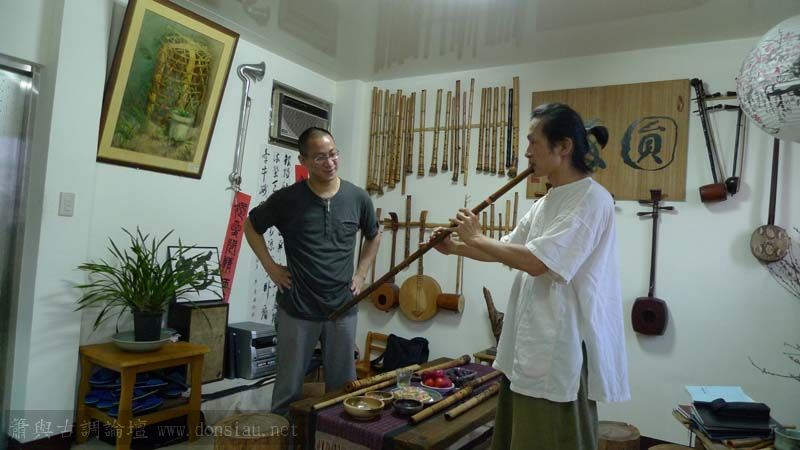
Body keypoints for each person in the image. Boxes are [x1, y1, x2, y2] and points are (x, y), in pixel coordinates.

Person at [431, 103, 629, 450]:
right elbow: (507, 249)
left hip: (561, 345)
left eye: (533, 142)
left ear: (563, 147)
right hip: (529, 340)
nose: (526, 153)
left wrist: (476, 237)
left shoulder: (593, 200)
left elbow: (539, 262)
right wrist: (455, 247)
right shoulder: (545, 202)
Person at [244, 127, 381, 417]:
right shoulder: (287, 199)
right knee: (288, 389)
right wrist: (271, 267)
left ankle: (333, 437)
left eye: (333, 154)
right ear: (303, 160)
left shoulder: (357, 197)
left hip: (342, 308)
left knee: (342, 390)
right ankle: (283, 437)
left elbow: (374, 235)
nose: (329, 163)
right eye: (319, 158)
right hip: (297, 308)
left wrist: (361, 274)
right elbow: (251, 226)